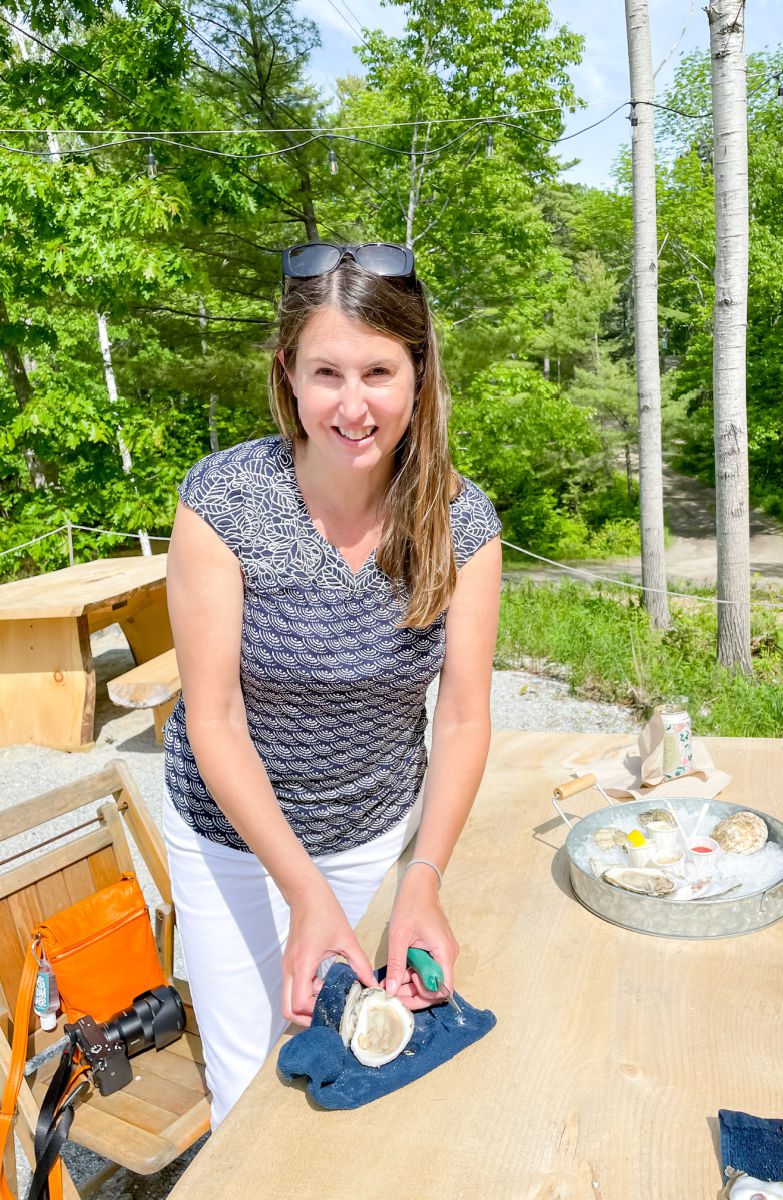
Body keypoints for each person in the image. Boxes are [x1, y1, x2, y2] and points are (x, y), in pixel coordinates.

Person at [161, 241, 502, 1127]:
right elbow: (216, 717)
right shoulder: (222, 502)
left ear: (420, 374)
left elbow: (463, 719)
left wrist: (422, 878)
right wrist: (305, 896)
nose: (354, 406)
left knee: (363, 1060)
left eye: (380, 372)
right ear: (288, 374)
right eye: (327, 373)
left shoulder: (464, 520)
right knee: (252, 1084)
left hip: (370, 827)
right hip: (224, 834)